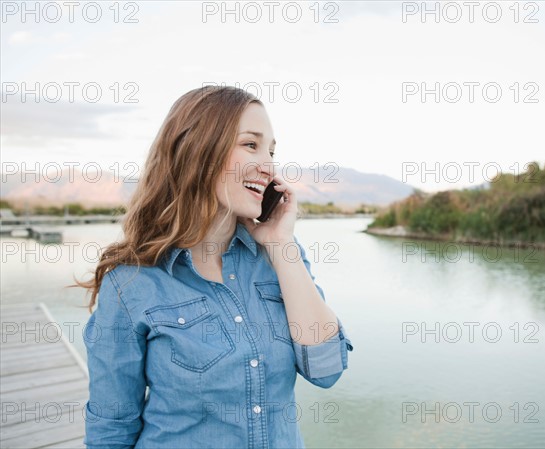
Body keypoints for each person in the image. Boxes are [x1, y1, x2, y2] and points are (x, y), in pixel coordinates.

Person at [75, 85, 354, 448]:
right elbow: (111, 429)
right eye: (251, 145)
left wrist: (281, 244)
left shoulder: (281, 256)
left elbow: (326, 369)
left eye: (271, 151)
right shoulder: (130, 284)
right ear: (199, 150)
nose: (268, 166)